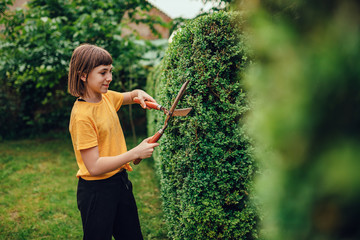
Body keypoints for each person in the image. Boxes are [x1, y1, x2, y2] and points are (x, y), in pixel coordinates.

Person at [67, 43, 159, 240]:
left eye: (110, 71)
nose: (109, 78)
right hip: (96, 192)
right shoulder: (82, 116)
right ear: (83, 75)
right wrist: (135, 153)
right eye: (103, 73)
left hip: (120, 183)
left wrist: (139, 92)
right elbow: (94, 166)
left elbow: (131, 96)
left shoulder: (106, 98)